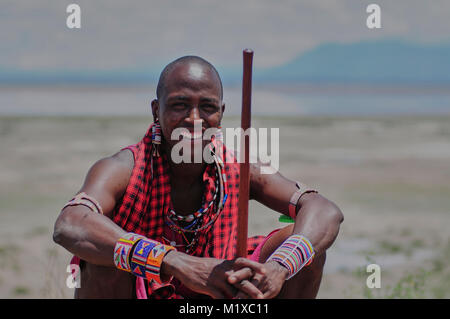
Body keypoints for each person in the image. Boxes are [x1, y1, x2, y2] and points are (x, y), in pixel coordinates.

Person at [53, 55, 344, 299]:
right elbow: (70, 224)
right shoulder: (124, 167)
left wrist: (281, 267)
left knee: (302, 249)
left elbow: (324, 210)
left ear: (221, 113)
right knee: (105, 259)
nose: (194, 119)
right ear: (156, 110)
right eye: (180, 105)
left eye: (207, 107)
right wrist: (175, 262)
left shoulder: (240, 167)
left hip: (216, 294)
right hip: (142, 288)